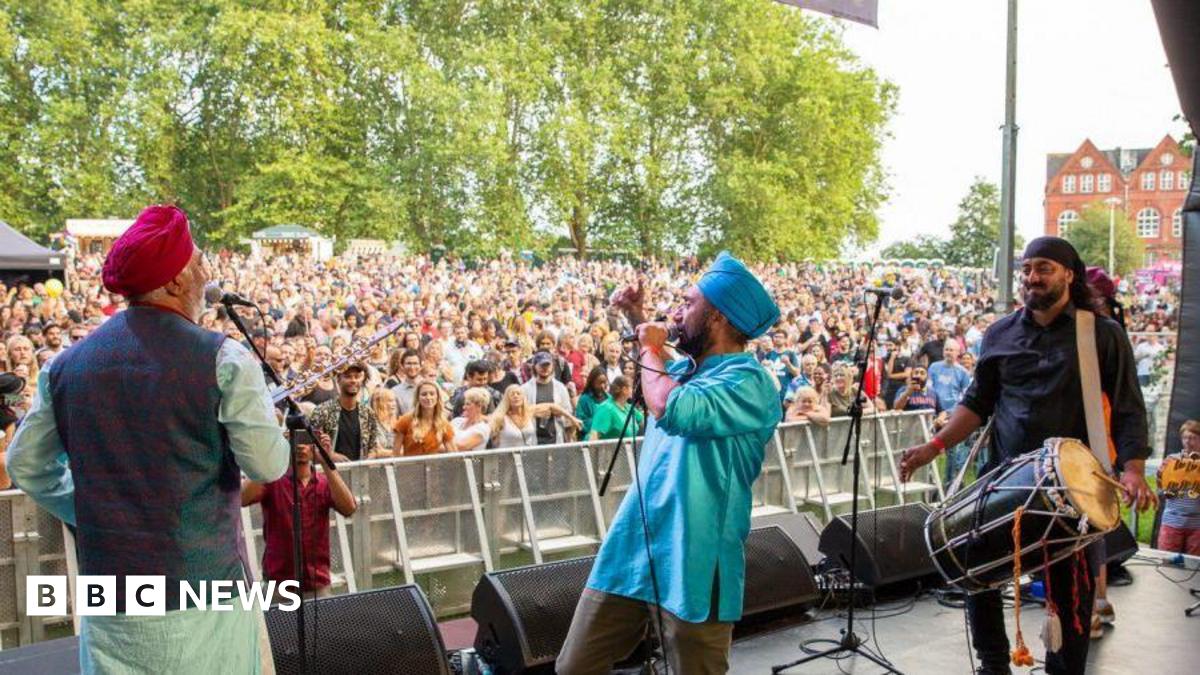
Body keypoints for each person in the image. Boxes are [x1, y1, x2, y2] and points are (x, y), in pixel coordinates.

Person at [6, 205, 289, 674]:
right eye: (199, 264)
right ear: (176, 281)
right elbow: (269, 465)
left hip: (112, 602)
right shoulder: (223, 359)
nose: (205, 275)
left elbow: (26, 466)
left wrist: (90, 510)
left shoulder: (65, 365)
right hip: (204, 593)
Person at [899, 237, 1155, 675]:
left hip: (1072, 489)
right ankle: (993, 664)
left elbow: (1129, 407)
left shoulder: (1101, 334)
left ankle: (1064, 668)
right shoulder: (1000, 333)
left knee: (1069, 592)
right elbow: (977, 404)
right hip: (1002, 476)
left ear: (1069, 275)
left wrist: (1132, 469)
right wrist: (933, 447)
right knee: (974, 567)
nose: (1032, 277)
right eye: (1027, 269)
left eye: (1044, 268)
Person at [557, 251, 782, 675]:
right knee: (574, 666)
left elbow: (668, 405)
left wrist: (648, 344)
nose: (677, 313)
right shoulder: (685, 368)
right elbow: (658, 371)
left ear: (716, 317)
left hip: (696, 554)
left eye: (688, 304)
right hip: (636, 545)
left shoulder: (750, 382)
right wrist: (634, 314)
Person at [241, 430, 357, 600]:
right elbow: (242, 498)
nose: (301, 446)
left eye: (306, 439)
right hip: (279, 583)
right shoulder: (272, 481)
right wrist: (273, 453)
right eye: (295, 439)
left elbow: (349, 508)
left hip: (317, 582)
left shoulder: (324, 483)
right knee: (277, 626)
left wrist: (325, 460)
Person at [309, 363, 386, 461]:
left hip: (359, 472)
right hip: (331, 472)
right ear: (338, 380)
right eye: (348, 376)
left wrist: (368, 459)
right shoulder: (323, 411)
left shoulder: (367, 413)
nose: (353, 380)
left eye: (357, 377)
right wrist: (331, 456)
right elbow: (311, 447)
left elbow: (373, 446)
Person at [927, 341, 974, 487]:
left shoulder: (962, 372)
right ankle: (931, 483)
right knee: (929, 446)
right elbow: (929, 387)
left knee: (951, 451)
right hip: (933, 412)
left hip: (951, 415)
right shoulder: (934, 367)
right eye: (946, 349)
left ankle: (948, 483)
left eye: (952, 350)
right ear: (943, 351)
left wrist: (953, 413)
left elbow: (965, 394)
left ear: (957, 353)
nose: (948, 352)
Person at [1157, 419, 1200, 556]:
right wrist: (1162, 478)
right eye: (1185, 437)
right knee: (1167, 563)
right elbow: (1161, 491)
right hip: (1172, 521)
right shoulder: (1171, 460)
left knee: (1194, 567)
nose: (1188, 441)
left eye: (1193, 438)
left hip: (1197, 525)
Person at [522, 351, 579, 444]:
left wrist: (560, 414)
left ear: (552, 366)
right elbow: (520, 414)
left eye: (547, 365)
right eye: (542, 365)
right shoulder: (525, 389)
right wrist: (535, 412)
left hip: (556, 439)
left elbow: (568, 413)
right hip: (532, 440)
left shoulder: (560, 388)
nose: (545, 368)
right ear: (535, 366)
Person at [393, 380, 455, 455]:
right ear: (418, 398)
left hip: (433, 465)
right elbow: (395, 453)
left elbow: (453, 453)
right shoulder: (405, 420)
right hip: (410, 465)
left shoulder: (443, 423)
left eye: (432, 394)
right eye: (424, 394)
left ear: (437, 397)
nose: (428, 397)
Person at [587, 376, 643, 441]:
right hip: (608, 450)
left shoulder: (628, 407)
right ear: (624, 390)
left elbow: (643, 421)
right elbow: (594, 436)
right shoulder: (606, 408)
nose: (634, 390)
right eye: (632, 387)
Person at [451, 387, 493, 451]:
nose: (463, 407)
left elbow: (462, 447)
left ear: (479, 406)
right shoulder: (456, 421)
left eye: (468, 404)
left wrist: (433, 446)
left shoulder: (483, 428)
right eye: (464, 404)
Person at [390, 349, 423, 415]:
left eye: (415, 363)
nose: (412, 367)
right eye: (409, 363)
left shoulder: (432, 387)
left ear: (421, 366)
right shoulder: (395, 392)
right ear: (402, 366)